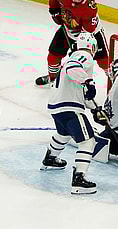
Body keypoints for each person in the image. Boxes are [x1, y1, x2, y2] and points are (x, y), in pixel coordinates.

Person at [41, 32, 98, 195]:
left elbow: (80, 89)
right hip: (69, 107)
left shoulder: (73, 57)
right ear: (91, 47)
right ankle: (79, 179)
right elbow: (74, 69)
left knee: (63, 133)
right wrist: (88, 81)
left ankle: (50, 158)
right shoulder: (84, 56)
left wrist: (95, 108)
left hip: (56, 105)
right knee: (88, 141)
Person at [35, 0, 109, 86]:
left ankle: (115, 83)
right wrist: (54, 9)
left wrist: (79, 46)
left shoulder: (89, 7)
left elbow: (88, 31)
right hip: (68, 29)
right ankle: (53, 79)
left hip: (92, 34)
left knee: (105, 62)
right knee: (53, 57)